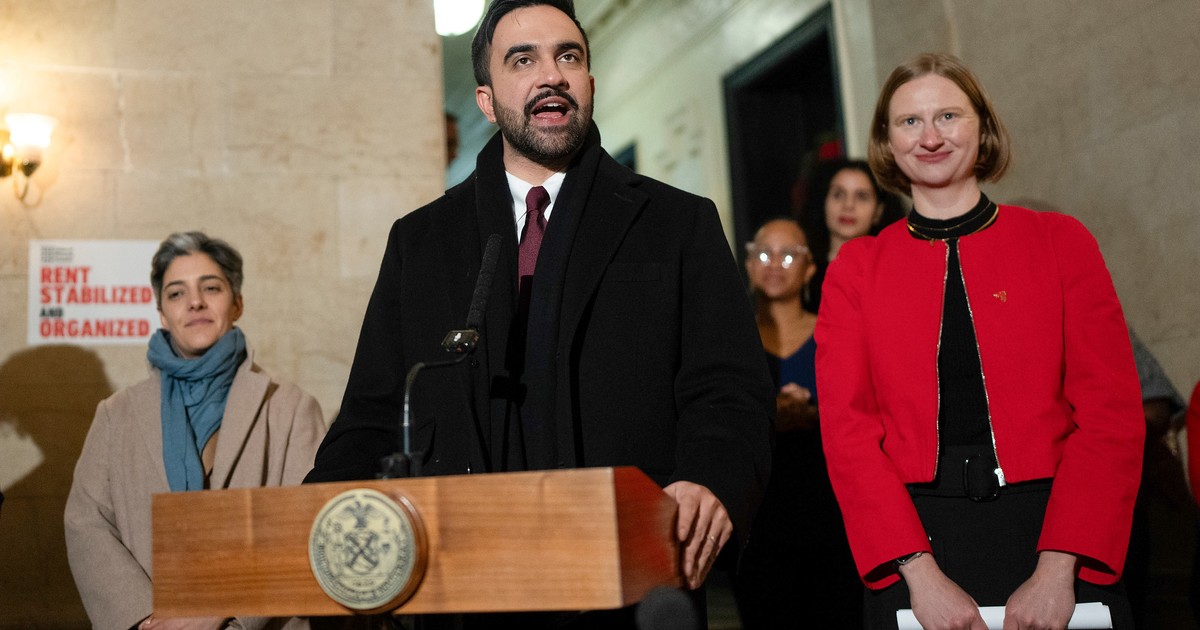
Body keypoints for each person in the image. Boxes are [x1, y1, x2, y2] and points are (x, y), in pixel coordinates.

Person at [304, 0, 773, 627]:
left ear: (589, 84)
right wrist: (307, 527)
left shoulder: (677, 223)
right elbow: (375, 412)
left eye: (568, 57)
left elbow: (730, 390)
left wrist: (710, 480)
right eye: (522, 61)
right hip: (463, 586)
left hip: (629, 578)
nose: (551, 75)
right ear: (486, 100)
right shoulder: (422, 241)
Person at [816, 52, 1144, 629]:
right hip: (914, 545)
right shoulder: (856, 271)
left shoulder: (1059, 241)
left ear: (983, 126)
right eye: (910, 121)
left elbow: (1110, 414)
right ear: (887, 141)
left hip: (1057, 531)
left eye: (948, 116)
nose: (930, 137)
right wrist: (920, 576)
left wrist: (1057, 567)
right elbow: (848, 436)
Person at [65, 232, 326, 630]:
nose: (195, 302)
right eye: (176, 293)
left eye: (211, 288)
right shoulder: (116, 414)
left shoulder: (291, 406)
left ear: (237, 303)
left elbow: (308, 523)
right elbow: (87, 522)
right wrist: (146, 618)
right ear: (162, 313)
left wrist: (224, 612)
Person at [731, 218, 861, 628]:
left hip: (830, 511)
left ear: (809, 269)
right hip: (758, 515)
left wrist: (813, 416)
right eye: (763, 253)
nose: (774, 263)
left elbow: (862, 411)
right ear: (748, 264)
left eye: (788, 255)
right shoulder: (729, 340)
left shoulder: (835, 332)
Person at [798, 158, 902, 312]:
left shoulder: (894, 273)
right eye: (838, 195)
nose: (848, 205)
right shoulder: (802, 269)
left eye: (861, 196)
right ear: (823, 203)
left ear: (878, 211)